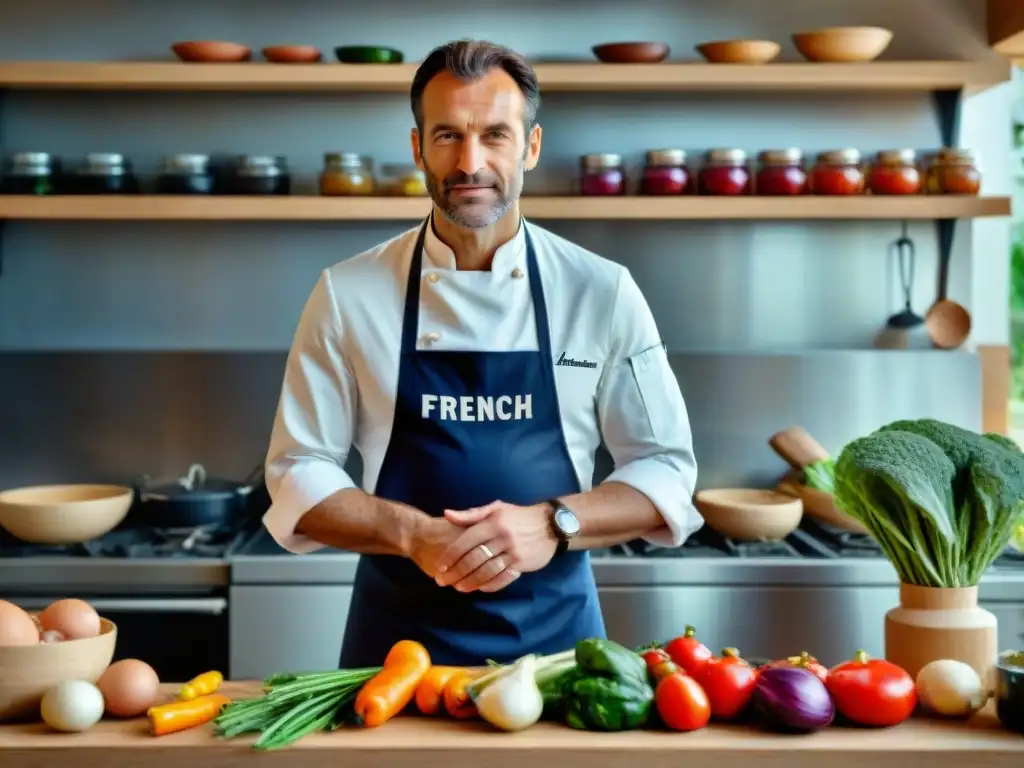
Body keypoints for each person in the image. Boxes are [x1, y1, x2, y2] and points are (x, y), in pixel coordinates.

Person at [263, 39, 702, 668]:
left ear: (530, 146)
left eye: (495, 134)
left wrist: (553, 524)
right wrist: (414, 534)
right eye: (447, 135)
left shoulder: (600, 290)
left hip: (560, 653)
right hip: (397, 655)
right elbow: (297, 470)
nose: (470, 162)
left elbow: (664, 468)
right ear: (417, 148)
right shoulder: (347, 293)